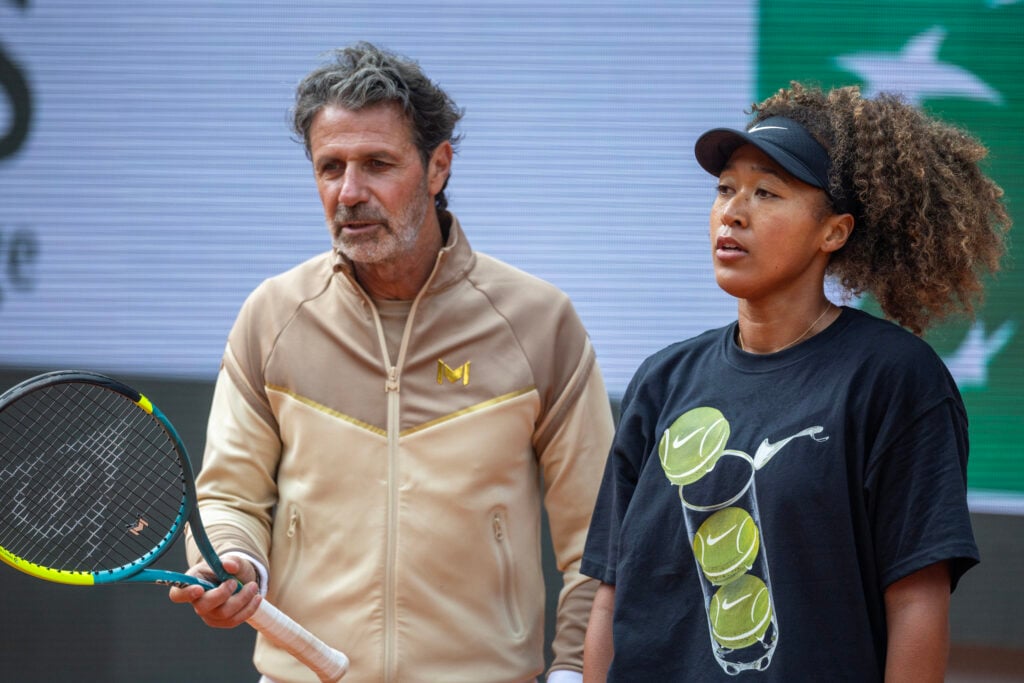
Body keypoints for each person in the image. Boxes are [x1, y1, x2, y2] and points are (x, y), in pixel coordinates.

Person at [168, 42, 614, 683]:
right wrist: (235, 560)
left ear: (438, 167)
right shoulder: (272, 315)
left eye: (377, 164)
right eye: (330, 168)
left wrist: (573, 672)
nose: (349, 193)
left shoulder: (540, 322)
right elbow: (229, 496)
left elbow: (599, 539)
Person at [581, 82, 1010, 682]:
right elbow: (611, 593)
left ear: (833, 232)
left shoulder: (893, 380)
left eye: (766, 193)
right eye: (725, 189)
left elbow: (917, 601)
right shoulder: (663, 380)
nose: (733, 212)